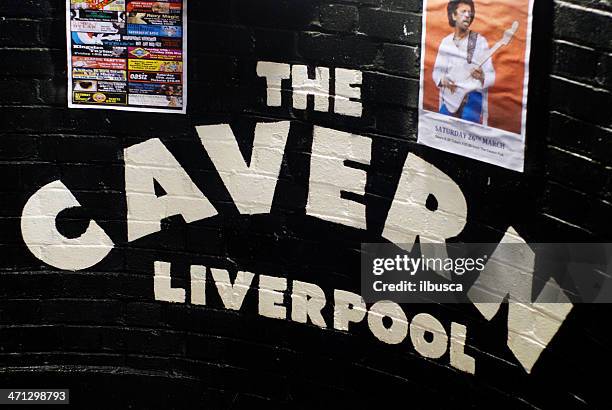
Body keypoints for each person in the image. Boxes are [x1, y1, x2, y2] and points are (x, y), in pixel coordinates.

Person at [432, 0, 495, 125]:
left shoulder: (479, 41)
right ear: (454, 15)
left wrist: (482, 77)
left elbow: (491, 77)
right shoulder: (446, 42)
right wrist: (442, 80)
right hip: (451, 98)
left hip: (472, 99)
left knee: (468, 131)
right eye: (463, 11)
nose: (468, 15)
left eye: (470, 13)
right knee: (441, 127)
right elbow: (436, 73)